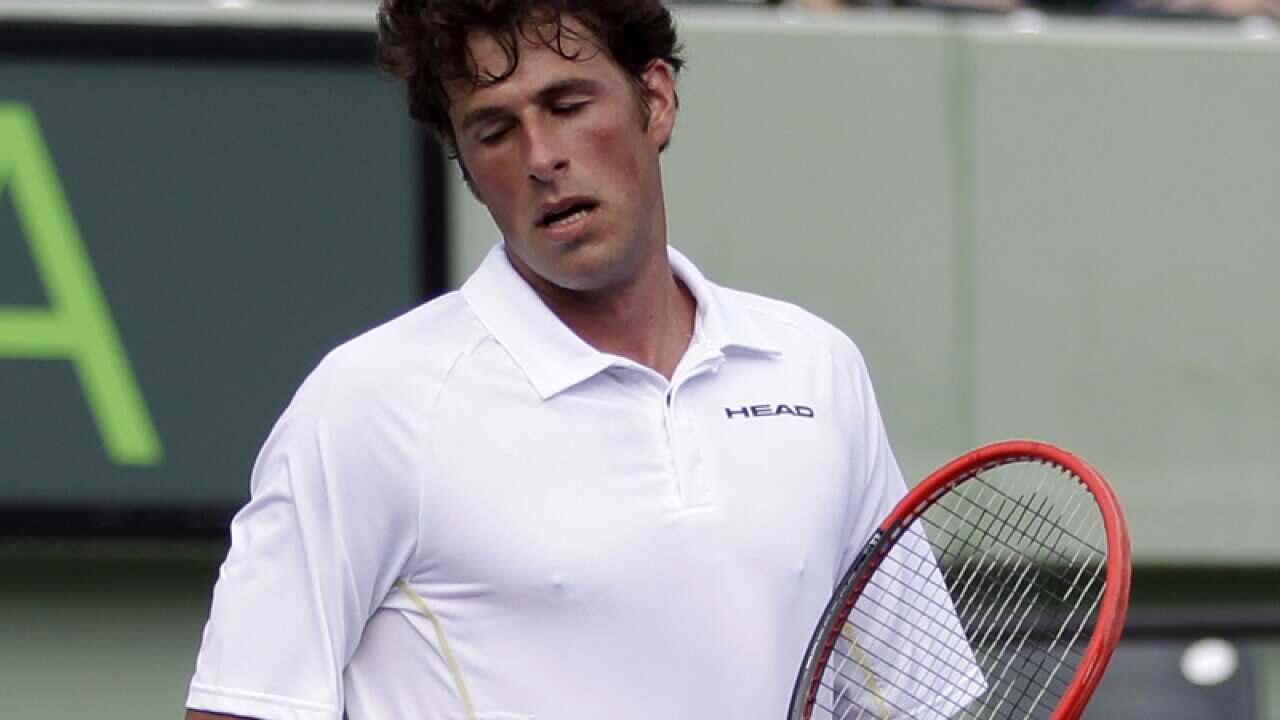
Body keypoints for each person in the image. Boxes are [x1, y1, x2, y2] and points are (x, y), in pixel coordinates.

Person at [184, 1, 930, 718]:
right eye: (494, 130)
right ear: (468, 170)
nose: (541, 158)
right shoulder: (367, 404)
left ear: (656, 101)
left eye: (568, 105)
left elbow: (903, 705)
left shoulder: (816, 370)